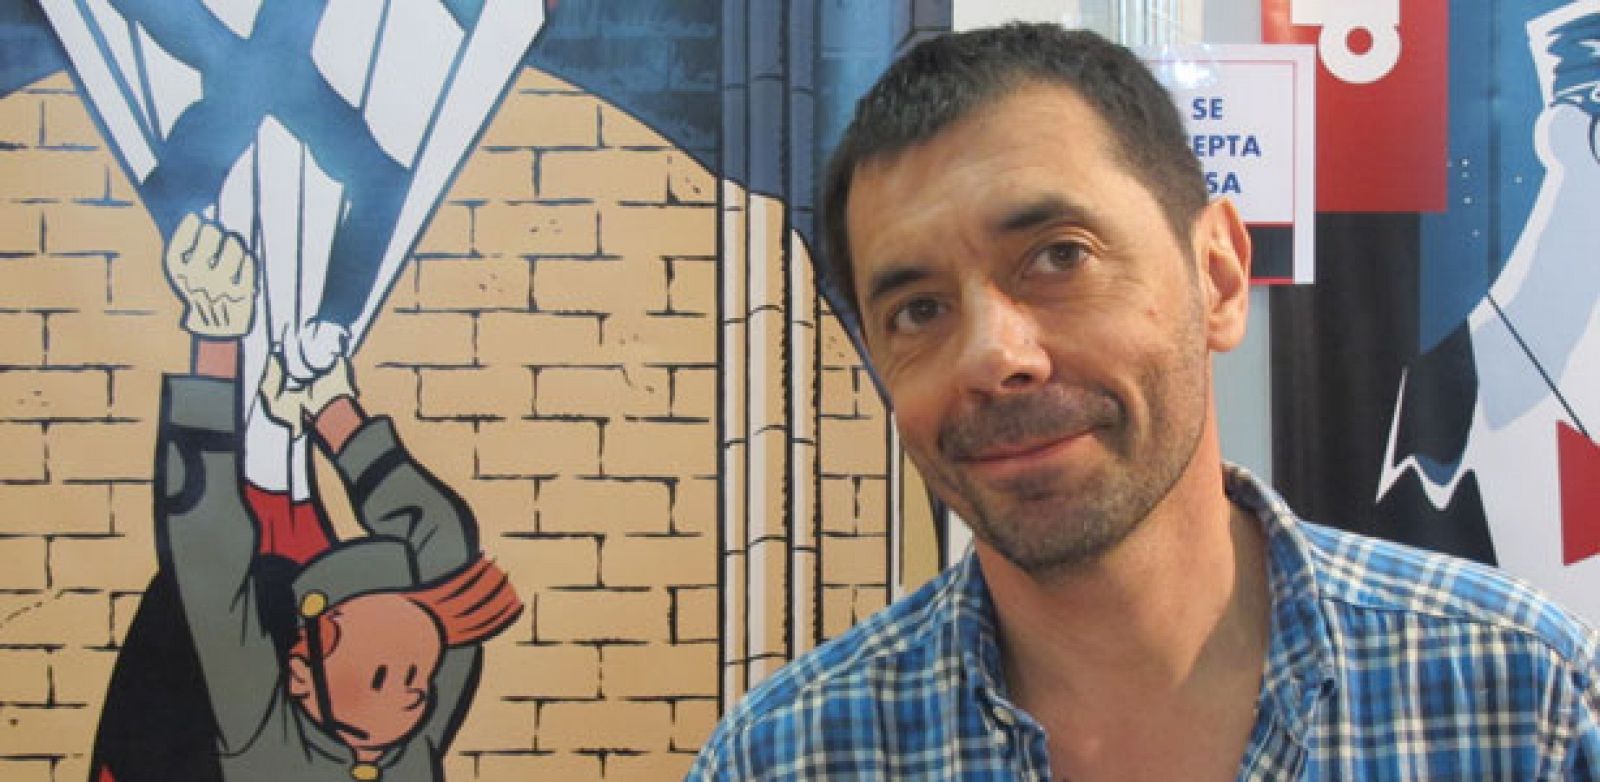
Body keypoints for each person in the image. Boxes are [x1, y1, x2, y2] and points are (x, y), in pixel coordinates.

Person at [691, 23, 1600, 780]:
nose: (993, 357)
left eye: (1060, 256)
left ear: (1219, 276)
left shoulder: (1522, 702)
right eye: (918, 310)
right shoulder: (787, 758)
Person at [148, 214, 522, 780]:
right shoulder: (266, 736)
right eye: (387, 677)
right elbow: (210, 563)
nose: (414, 693)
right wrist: (220, 341)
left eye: (418, 677)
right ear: (301, 675)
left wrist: (327, 406)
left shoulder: (408, 740)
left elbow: (443, 537)